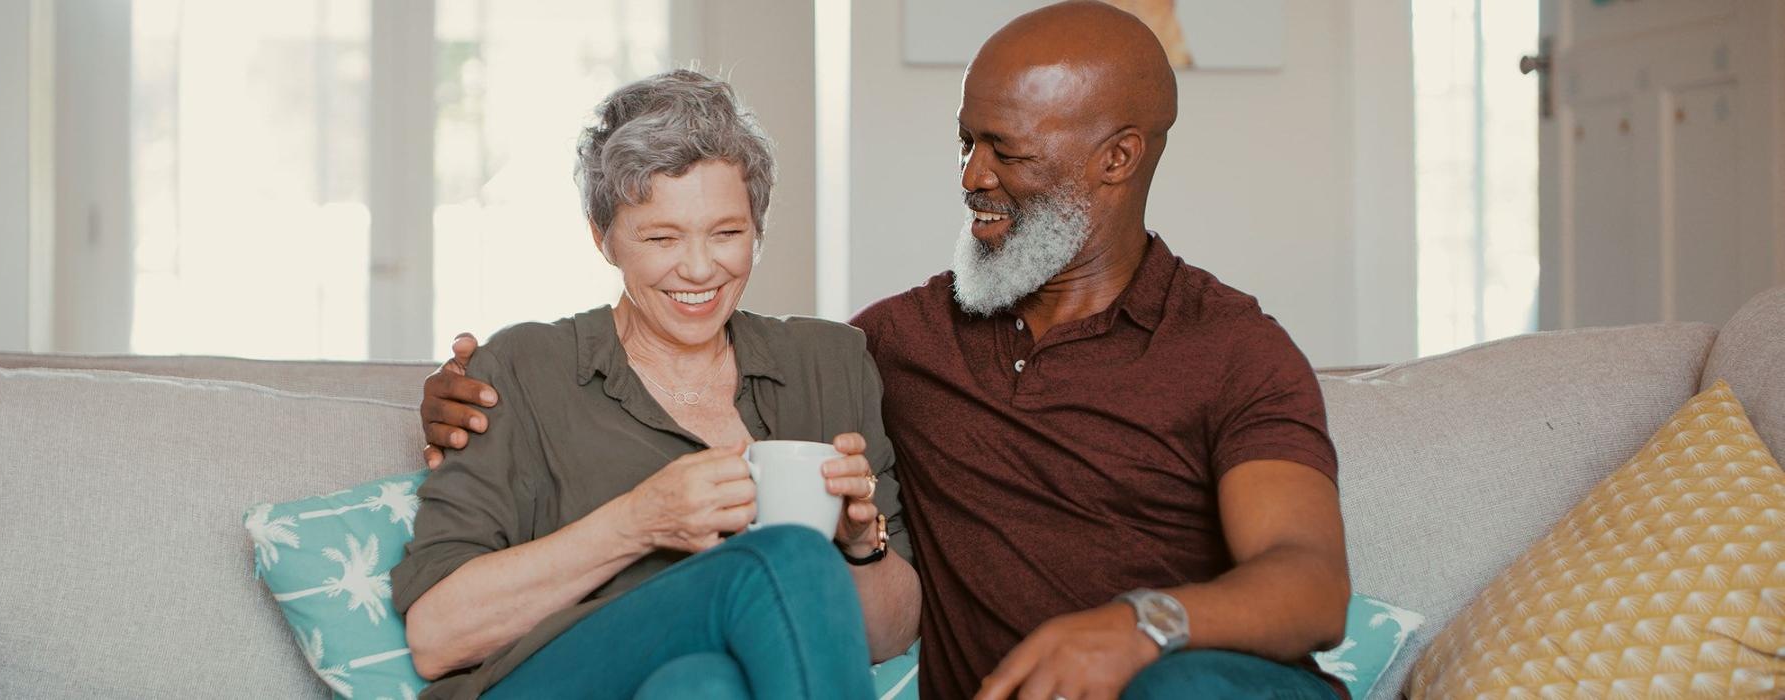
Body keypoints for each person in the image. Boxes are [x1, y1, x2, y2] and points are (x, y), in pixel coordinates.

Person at [422, 3, 1349, 698]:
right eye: (964, 143)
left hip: (1187, 683)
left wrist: (1143, 627)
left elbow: (1311, 581)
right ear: (606, 236)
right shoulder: (897, 344)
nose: (970, 177)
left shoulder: (1233, 348)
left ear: (1118, 158)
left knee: (1172, 689)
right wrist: (454, 394)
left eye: (1006, 152)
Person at [393, 69, 920, 700]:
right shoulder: (523, 366)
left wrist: (862, 546)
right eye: (660, 237)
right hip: (545, 684)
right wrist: (640, 522)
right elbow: (436, 638)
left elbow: (891, 636)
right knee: (792, 557)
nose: (699, 268)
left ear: (758, 228)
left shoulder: (828, 362)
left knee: (705, 686)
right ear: (604, 238)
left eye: (727, 233)